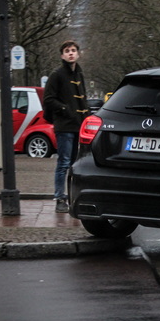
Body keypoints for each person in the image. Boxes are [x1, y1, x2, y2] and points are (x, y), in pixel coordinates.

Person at [43, 40, 90, 213]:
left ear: (78, 54)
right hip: (64, 126)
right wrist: (65, 109)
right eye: (67, 51)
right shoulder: (57, 74)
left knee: (73, 163)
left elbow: (82, 98)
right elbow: (48, 98)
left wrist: (86, 117)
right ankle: (59, 198)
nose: (71, 53)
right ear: (62, 55)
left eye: (73, 50)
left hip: (78, 125)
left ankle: (72, 196)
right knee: (63, 163)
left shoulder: (79, 74)